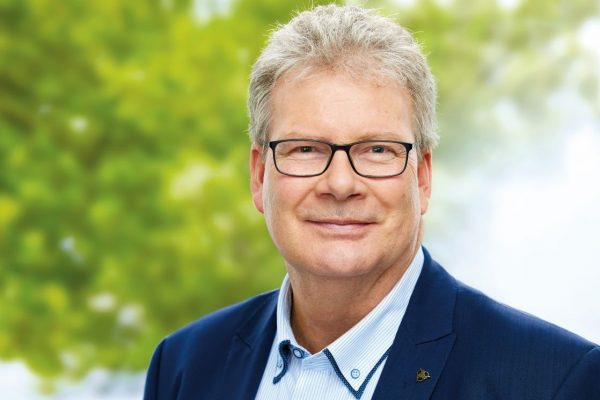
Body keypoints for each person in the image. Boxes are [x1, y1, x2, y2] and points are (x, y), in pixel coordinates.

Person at [143, 4, 600, 399]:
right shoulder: (183, 366)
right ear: (260, 175)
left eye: (377, 150)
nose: (340, 183)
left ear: (422, 177)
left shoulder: (553, 381)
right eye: (306, 149)